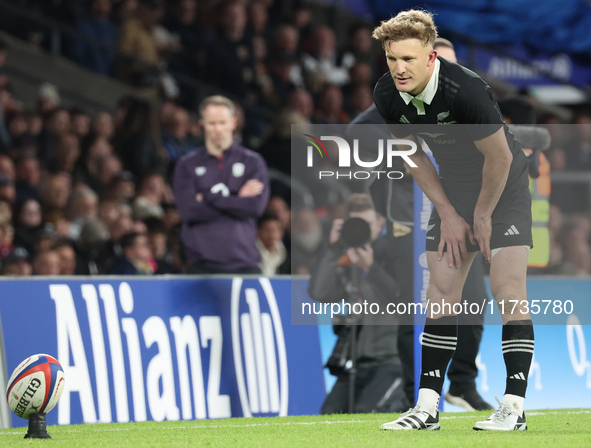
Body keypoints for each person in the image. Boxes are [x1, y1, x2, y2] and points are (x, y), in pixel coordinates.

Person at [372, 10, 534, 431]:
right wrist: (447, 212)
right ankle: (427, 408)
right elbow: (412, 155)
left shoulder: (466, 89)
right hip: (455, 190)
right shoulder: (387, 93)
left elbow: (499, 158)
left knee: (507, 290)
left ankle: (513, 408)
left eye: (408, 59)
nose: (399, 69)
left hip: (504, 186)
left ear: (431, 58)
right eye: (392, 59)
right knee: (440, 293)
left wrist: (482, 215)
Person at [347, 37, 493, 413]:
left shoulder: (466, 104)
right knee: (414, 308)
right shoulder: (394, 103)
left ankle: (462, 384)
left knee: (474, 300)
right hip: (408, 226)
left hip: (458, 221)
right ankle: (417, 396)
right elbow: (356, 136)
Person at [308, 194, 407, 414]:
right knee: (328, 417)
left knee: (367, 413)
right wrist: (333, 249)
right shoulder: (346, 258)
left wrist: (371, 270)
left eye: (367, 224)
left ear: (381, 223)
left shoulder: (397, 253)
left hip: (393, 361)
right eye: (356, 223)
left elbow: (405, 300)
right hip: (357, 363)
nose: (361, 229)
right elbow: (319, 293)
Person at [173, 95, 269, 274]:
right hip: (201, 266)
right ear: (202, 125)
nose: (217, 129)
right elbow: (188, 210)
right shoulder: (187, 164)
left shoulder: (253, 163)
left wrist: (208, 197)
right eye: (211, 123)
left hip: (245, 265)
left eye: (223, 123)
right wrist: (237, 199)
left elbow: (255, 207)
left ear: (233, 123)